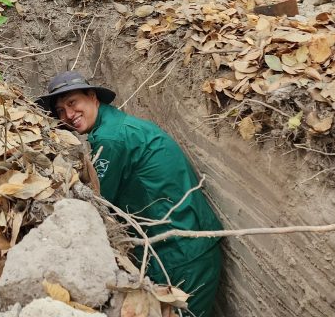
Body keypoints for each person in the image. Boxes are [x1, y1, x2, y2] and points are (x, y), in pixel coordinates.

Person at [38, 71, 222, 317]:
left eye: (72, 103)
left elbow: (97, 205)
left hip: (182, 254)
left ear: (92, 97)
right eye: (60, 110)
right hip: (181, 245)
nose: (68, 115)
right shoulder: (118, 126)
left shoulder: (111, 138)